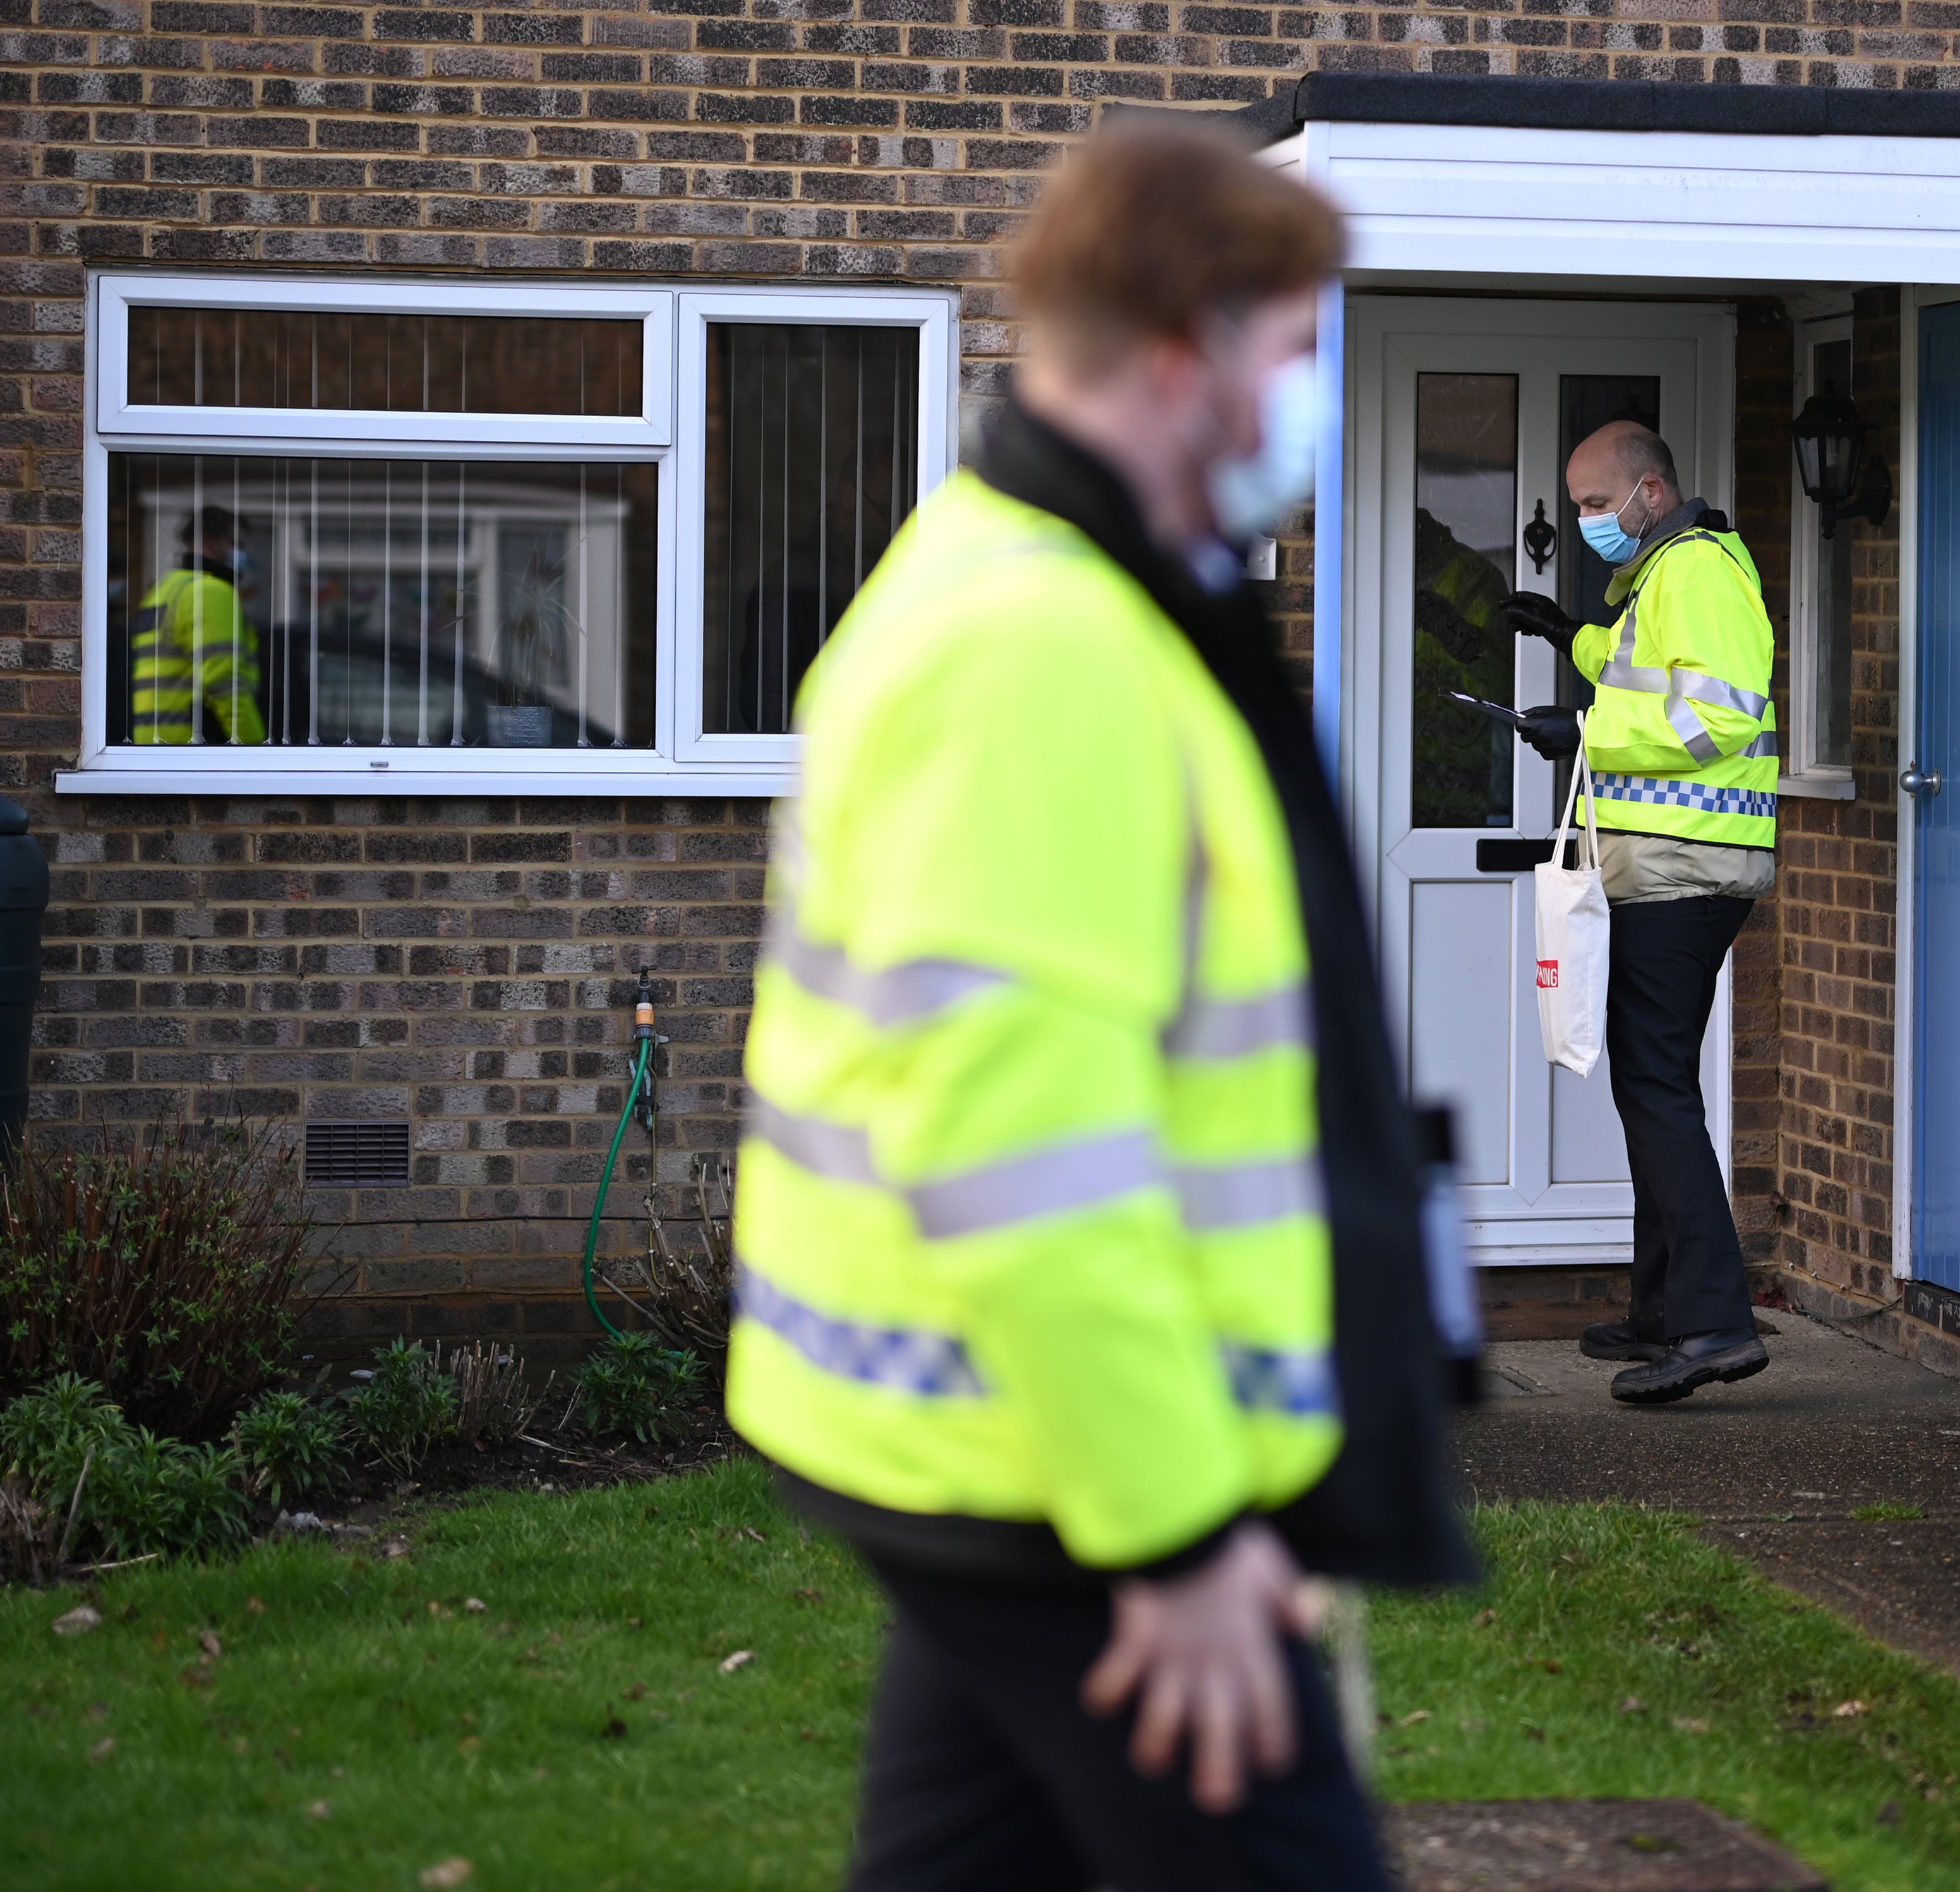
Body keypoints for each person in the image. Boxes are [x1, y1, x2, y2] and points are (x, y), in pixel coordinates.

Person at [725, 116, 1467, 1892]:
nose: (1311, 398)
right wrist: (1179, 1534)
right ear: (1176, 346)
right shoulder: (1038, 648)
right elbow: (1017, 1149)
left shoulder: (1064, 592)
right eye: (1294, 351)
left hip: (995, 1450)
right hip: (1067, 1474)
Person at [1503, 422, 1777, 1406]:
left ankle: (1713, 1325)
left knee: (1656, 1089)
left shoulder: (1697, 571)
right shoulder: (1660, 575)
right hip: (1665, 870)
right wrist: (1563, 636)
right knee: (1649, 1084)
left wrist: (1578, 729)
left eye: (1591, 505)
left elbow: (1716, 717)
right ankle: (1663, 1309)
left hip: (1682, 871)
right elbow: (1643, 679)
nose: (1583, 522)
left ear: (1649, 492)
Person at [132, 503, 266, 745]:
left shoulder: (165, 590)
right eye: (237, 544)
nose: (242, 554)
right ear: (211, 542)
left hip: (152, 742)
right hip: (196, 744)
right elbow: (224, 684)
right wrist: (257, 748)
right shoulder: (211, 592)